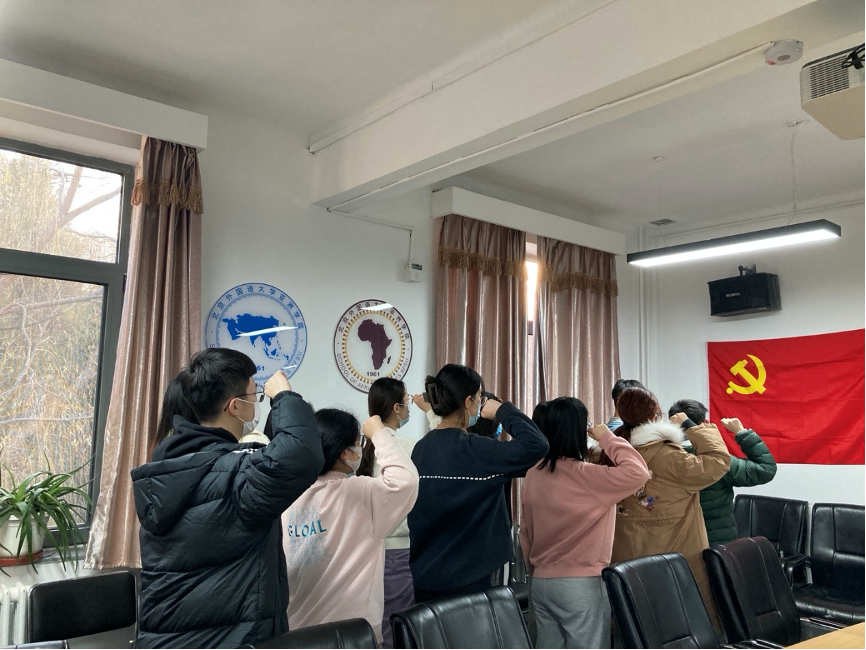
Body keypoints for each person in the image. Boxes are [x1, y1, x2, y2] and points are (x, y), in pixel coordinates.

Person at [131, 349, 324, 649]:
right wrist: (284, 396)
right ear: (235, 406)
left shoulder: (162, 471)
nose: (256, 403)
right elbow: (302, 453)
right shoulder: (236, 475)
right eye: (254, 395)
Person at [408, 364, 549, 602]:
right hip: (473, 580)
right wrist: (503, 410)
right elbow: (537, 445)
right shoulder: (477, 450)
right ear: (468, 401)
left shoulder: (420, 449)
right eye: (479, 398)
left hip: (426, 578)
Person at [521, 397, 649, 649]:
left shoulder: (534, 474)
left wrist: (537, 572)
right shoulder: (588, 476)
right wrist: (607, 437)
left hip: (542, 582)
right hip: (581, 584)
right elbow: (638, 472)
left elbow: (525, 532)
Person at [283, 408, 419, 645]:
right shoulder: (359, 493)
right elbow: (405, 479)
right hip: (352, 634)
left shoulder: (289, 496)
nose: (360, 449)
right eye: (358, 443)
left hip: (298, 632)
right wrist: (379, 433)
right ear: (345, 453)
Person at [610, 387, 730, 628]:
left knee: (635, 619)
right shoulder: (670, 456)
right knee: (680, 620)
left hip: (625, 553)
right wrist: (691, 426)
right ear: (655, 415)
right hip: (673, 558)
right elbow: (718, 461)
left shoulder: (609, 453)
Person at [356, 378, 418, 649]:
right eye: (407, 401)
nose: (409, 407)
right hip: (398, 552)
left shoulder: (359, 448)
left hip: (367, 553)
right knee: (397, 628)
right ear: (396, 408)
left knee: (376, 627)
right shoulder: (407, 447)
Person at [668, 399, 777, 545]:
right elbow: (765, 470)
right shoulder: (717, 460)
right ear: (705, 423)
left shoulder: (661, 456)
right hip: (715, 541)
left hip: (673, 540)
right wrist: (742, 433)